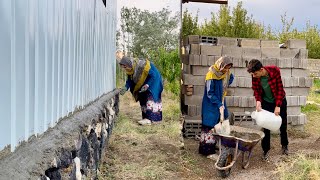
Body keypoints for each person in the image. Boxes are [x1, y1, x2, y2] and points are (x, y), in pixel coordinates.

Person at [247, 59, 289, 161]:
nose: (253, 76)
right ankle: (265, 150)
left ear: (261, 70)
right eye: (252, 74)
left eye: (255, 73)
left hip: (280, 100)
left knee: (283, 125)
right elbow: (256, 90)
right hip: (266, 102)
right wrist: (258, 101)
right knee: (266, 127)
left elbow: (279, 89)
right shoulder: (255, 76)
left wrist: (278, 105)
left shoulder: (275, 71)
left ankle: (284, 145)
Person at [199, 56, 234, 156]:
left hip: (221, 101)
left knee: (221, 122)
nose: (226, 70)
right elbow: (210, 93)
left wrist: (225, 85)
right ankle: (207, 151)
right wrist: (219, 104)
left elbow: (231, 78)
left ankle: (216, 145)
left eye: (228, 68)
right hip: (211, 103)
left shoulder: (226, 73)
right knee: (209, 124)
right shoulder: (211, 75)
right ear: (220, 65)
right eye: (225, 67)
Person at [119, 56, 163, 125]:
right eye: (123, 68)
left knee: (149, 95)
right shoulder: (131, 70)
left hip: (154, 80)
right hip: (145, 82)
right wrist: (125, 87)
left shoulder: (141, 65)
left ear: (129, 64)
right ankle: (145, 118)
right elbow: (130, 81)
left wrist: (147, 85)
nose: (124, 69)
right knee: (142, 96)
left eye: (125, 67)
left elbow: (153, 75)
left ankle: (149, 119)